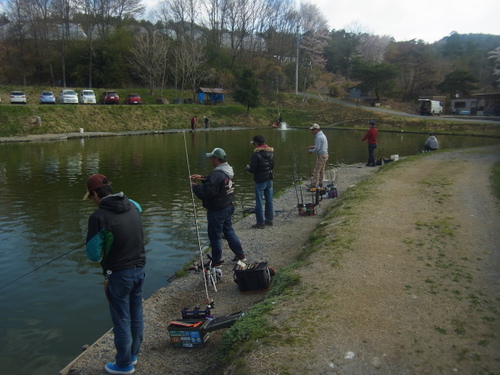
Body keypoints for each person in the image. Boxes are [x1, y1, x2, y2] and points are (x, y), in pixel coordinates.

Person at [83, 174, 146, 375]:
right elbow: (133, 217)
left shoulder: (98, 217)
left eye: (91, 197)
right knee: (136, 313)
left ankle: (124, 364)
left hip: (119, 275)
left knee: (121, 319)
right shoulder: (133, 204)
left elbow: (93, 255)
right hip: (140, 269)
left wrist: (103, 243)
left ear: (94, 193)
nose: (92, 201)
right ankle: (133, 354)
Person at [190, 148, 246, 265]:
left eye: (211, 158)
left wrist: (194, 186)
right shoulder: (228, 170)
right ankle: (240, 255)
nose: (210, 161)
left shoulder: (217, 174)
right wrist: (203, 177)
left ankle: (216, 260)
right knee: (229, 231)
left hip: (217, 210)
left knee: (215, 236)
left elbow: (206, 193)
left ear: (216, 159)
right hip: (228, 207)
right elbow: (218, 182)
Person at [246, 135, 275, 229]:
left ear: (257, 143)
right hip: (269, 179)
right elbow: (272, 166)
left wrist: (248, 168)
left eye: (254, 143)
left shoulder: (256, 155)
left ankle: (260, 223)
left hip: (260, 181)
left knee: (259, 202)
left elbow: (253, 169)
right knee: (269, 201)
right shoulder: (270, 153)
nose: (253, 145)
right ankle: (269, 220)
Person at [307, 123, 329, 189]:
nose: (312, 131)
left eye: (313, 130)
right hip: (325, 155)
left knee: (316, 170)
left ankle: (313, 184)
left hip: (322, 156)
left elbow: (317, 149)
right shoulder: (322, 135)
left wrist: (311, 151)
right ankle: (320, 183)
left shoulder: (318, 137)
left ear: (317, 129)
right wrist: (312, 147)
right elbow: (320, 146)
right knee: (322, 170)